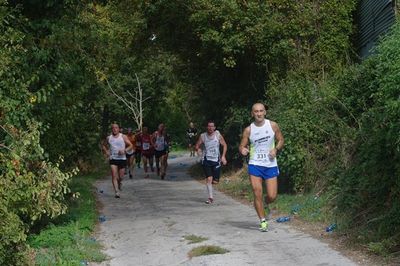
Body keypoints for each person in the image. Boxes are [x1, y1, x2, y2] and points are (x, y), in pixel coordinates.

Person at [239, 103, 284, 232]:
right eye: (256, 111)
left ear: (265, 112)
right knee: (257, 191)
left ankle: (265, 203)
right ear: (252, 114)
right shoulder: (249, 130)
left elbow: (281, 140)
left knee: (272, 196)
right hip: (255, 164)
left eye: (261, 111)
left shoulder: (272, 125)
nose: (259, 113)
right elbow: (242, 145)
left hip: (270, 164)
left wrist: (276, 149)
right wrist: (242, 150)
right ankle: (263, 221)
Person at [195, 120, 227, 204]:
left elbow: (224, 145)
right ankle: (210, 198)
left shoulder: (218, 135)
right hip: (206, 160)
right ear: (207, 127)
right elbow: (197, 145)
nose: (210, 128)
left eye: (212, 126)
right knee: (209, 179)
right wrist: (198, 149)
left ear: (214, 127)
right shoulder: (203, 136)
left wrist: (223, 156)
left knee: (215, 181)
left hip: (216, 160)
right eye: (209, 126)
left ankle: (212, 183)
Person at [102, 123, 133, 198]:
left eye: (116, 128)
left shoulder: (123, 136)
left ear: (119, 129)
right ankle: (116, 192)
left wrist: (124, 151)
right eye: (113, 128)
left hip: (122, 159)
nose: (115, 129)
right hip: (113, 159)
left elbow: (131, 145)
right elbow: (103, 145)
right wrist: (106, 151)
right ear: (111, 129)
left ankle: (119, 183)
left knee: (121, 177)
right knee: (114, 175)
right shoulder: (109, 138)